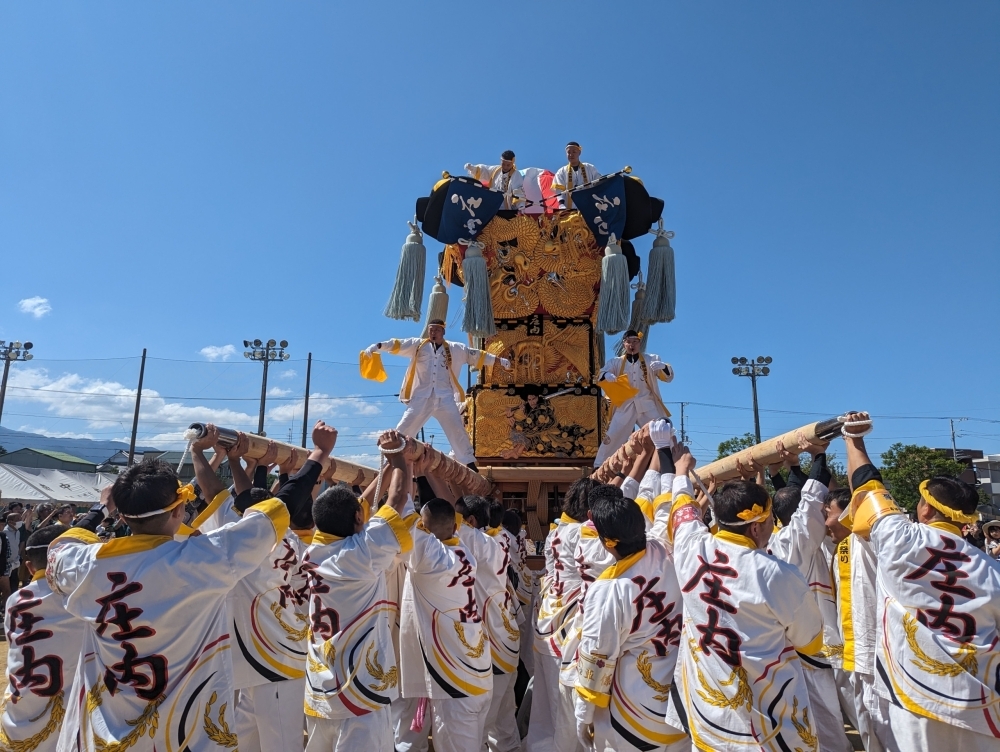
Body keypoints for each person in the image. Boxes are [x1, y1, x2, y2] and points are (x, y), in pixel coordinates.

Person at [47, 429, 297, 751]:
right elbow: (270, 515)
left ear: (122, 514)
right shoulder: (205, 560)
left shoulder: (86, 565)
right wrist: (257, 461)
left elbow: (59, 546)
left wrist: (102, 509)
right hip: (188, 738)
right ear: (179, 511)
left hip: (105, 736)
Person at [839, 411, 1000, 750]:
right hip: (982, 703)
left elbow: (868, 485)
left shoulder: (900, 538)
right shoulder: (991, 568)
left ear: (926, 508)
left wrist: (853, 439)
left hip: (915, 696)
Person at [665, 446, 825, 751]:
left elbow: (682, 510)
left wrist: (680, 472)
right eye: (769, 520)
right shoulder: (775, 573)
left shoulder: (690, 549)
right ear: (755, 526)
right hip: (767, 722)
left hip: (709, 714)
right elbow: (810, 641)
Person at [194, 425, 330, 752]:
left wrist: (203, 452)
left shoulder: (240, 539)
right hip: (274, 659)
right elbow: (243, 502)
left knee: (271, 744)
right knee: (268, 742)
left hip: (270, 663)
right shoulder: (291, 539)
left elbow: (216, 494)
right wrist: (247, 465)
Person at [303, 429, 416, 750]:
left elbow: (360, 509)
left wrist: (386, 470)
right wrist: (398, 455)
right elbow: (397, 500)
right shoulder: (363, 553)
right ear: (357, 519)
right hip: (360, 690)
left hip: (320, 686)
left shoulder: (314, 550)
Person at [573, 492, 687, 752]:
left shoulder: (608, 591)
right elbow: (662, 510)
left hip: (633, 706)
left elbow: (597, 656)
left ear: (608, 543)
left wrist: (583, 716)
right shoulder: (662, 549)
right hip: (679, 697)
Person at [765, 439, 854, 752]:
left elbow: (795, 501)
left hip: (800, 642)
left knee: (823, 712)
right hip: (824, 643)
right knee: (836, 712)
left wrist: (787, 469)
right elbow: (810, 502)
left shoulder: (779, 539)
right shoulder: (798, 539)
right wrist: (818, 454)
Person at [396, 496, 492, 752]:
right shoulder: (465, 553)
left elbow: (402, 512)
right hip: (479, 674)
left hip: (455, 687)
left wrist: (401, 463)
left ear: (424, 531)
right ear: (454, 528)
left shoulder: (427, 558)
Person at [364, 319, 510, 470]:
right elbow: (397, 344)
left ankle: (470, 465)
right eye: (431, 330)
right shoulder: (418, 345)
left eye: (437, 330)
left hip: (445, 398)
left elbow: (476, 355)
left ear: (443, 332)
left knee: (457, 430)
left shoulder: (455, 348)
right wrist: (378, 346)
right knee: (404, 427)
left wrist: (498, 360)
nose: (433, 333)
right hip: (421, 397)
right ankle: (389, 462)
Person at [524, 477, 595, 752]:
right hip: (567, 623)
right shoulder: (583, 534)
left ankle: (539, 746)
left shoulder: (557, 531)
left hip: (548, 614)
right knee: (562, 703)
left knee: (544, 701)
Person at [0, 524, 82, 749]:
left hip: (18, 717)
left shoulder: (15, 601)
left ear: (28, 565)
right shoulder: (83, 600)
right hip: (69, 722)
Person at [824, 486, 890, 752]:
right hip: (852, 654)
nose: (824, 521)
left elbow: (868, 487)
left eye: (827, 513)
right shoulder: (839, 547)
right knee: (867, 727)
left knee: (885, 729)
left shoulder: (870, 543)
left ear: (848, 515)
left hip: (878, 654)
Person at [457, 495, 520, 752]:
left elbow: (447, 516)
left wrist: (431, 473)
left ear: (470, 521)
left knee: (483, 720)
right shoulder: (494, 541)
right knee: (504, 717)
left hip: (493, 644)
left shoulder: (479, 542)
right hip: (505, 636)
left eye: (459, 519)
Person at [594, 331, 674, 467]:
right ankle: (600, 464)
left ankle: (672, 459)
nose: (632, 345)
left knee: (660, 429)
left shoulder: (651, 359)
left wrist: (663, 367)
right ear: (624, 344)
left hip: (647, 404)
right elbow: (599, 374)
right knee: (614, 434)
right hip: (625, 405)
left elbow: (667, 377)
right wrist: (606, 375)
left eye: (635, 341)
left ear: (640, 343)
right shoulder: (616, 362)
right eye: (629, 342)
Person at [552, 142, 601, 210]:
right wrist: (561, 204)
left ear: (579, 153)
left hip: (589, 208)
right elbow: (559, 190)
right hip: (570, 210)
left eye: (574, 152)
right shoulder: (561, 172)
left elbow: (599, 183)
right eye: (568, 152)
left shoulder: (589, 168)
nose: (571, 154)